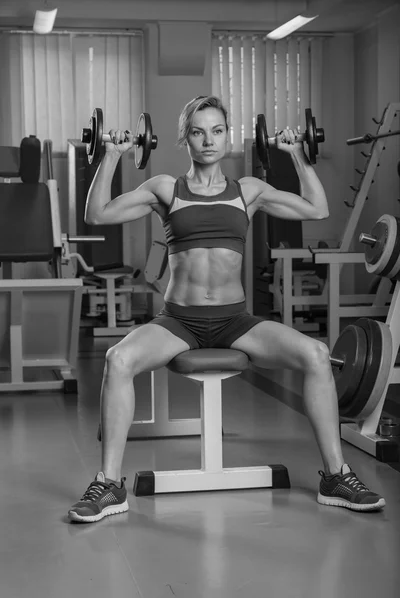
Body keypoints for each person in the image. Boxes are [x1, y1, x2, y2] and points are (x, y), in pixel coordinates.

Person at [68, 95, 385, 523]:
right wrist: (111, 156)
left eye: (217, 130)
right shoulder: (165, 188)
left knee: (314, 354)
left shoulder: (248, 191)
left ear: (229, 136)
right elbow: (98, 215)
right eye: (198, 131)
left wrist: (297, 157)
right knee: (118, 358)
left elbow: (317, 208)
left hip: (237, 321)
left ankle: (336, 475)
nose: (208, 140)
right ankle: (109, 483)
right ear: (185, 138)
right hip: (179, 321)